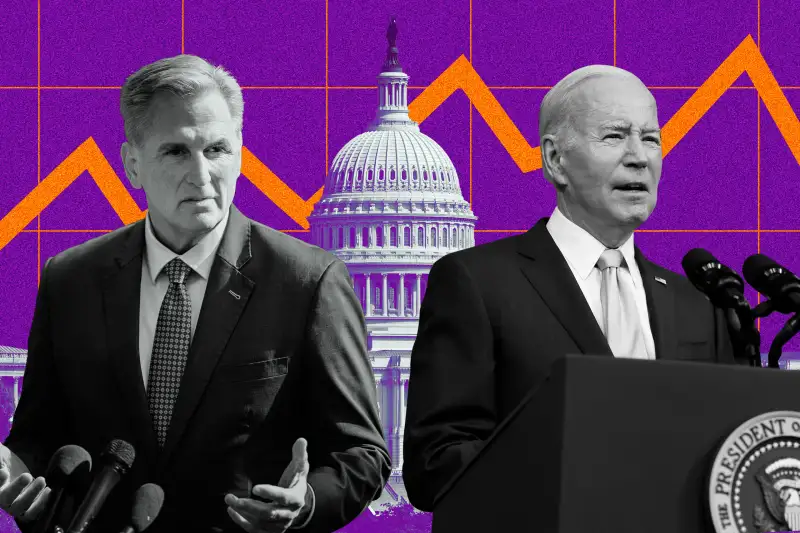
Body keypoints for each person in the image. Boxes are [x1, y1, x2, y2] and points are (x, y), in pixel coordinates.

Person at [0, 54, 391, 532]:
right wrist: (17, 480)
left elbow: (364, 454)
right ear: (132, 165)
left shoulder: (308, 280)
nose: (202, 176)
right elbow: (37, 437)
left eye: (217, 150)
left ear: (242, 153)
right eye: (176, 152)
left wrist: (304, 503)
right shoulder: (70, 279)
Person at [402, 65, 740, 512]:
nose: (639, 157)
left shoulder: (699, 303)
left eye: (651, 138)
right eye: (615, 137)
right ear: (555, 160)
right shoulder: (477, 283)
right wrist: (578, 456)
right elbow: (434, 465)